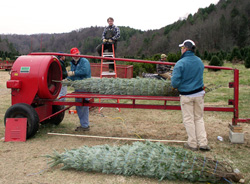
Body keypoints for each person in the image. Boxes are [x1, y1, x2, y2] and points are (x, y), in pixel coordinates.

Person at [171, 39, 210, 151]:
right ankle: (203, 143)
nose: (181, 50)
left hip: (186, 96)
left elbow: (175, 83)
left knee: (188, 119)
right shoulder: (199, 61)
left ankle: (192, 144)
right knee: (199, 118)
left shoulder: (180, 63)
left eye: (182, 48)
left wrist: (177, 86)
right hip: (199, 94)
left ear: (185, 49)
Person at [67, 47, 91, 131]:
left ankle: (85, 125)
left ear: (79, 53)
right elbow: (73, 76)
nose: (76, 56)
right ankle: (84, 124)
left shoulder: (84, 61)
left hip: (84, 86)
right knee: (79, 106)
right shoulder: (73, 63)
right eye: (74, 55)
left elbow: (85, 71)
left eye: (77, 54)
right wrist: (67, 79)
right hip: (77, 87)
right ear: (71, 56)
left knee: (83, 106)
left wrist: (74, 73)